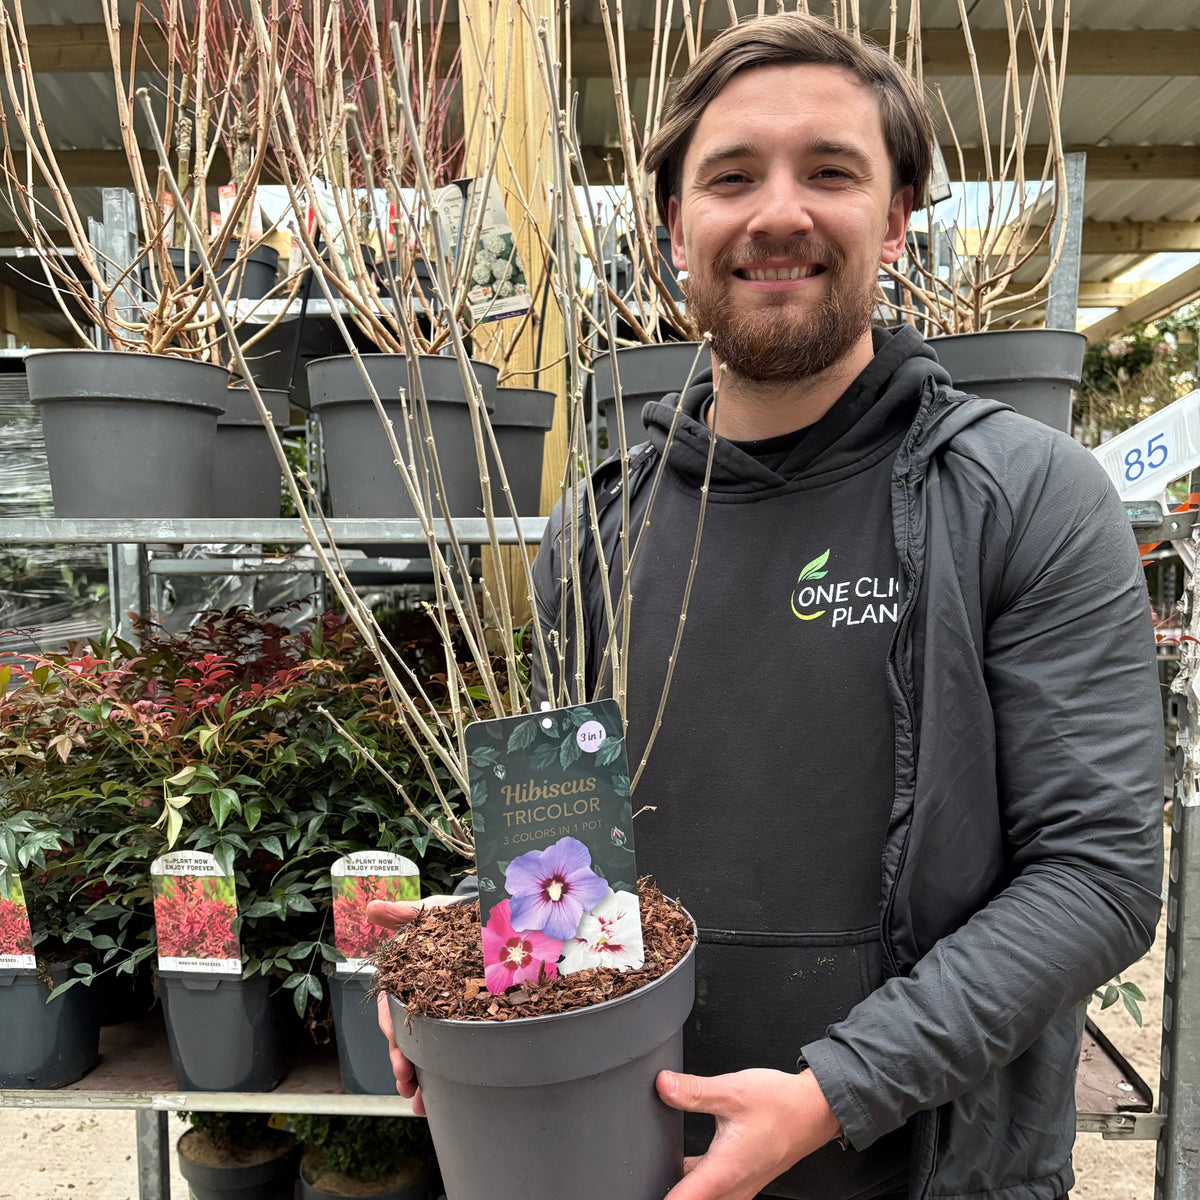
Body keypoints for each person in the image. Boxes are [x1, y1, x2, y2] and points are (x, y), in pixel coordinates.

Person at [371, 14, 1164, 1200]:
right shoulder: (601, 526)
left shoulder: (1023, 496)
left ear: (897, 217)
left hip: (925, 1166)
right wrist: (484, 977)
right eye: (731, 176)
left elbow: (1098, 875)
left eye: (831, 172)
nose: (778, 213)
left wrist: (834, 1093)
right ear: (671, 228)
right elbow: (565, 841)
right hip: (630, 1152)